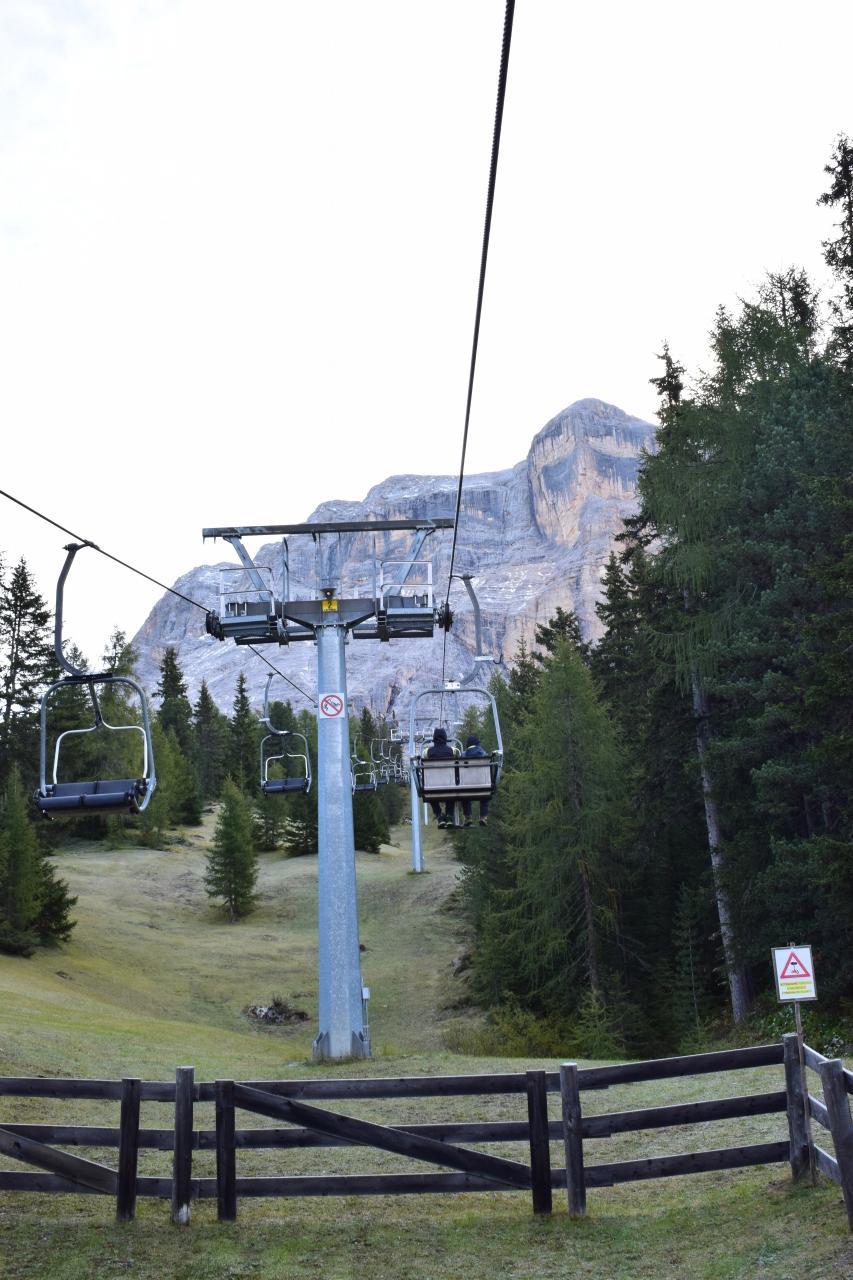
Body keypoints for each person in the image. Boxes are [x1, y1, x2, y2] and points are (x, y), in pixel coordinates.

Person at [425, 726, 456, 828]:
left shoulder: (430, 751)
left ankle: (439, 815)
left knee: (430, 794)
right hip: (448, 783)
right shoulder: (449, 751)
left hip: (433, 785)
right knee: (451, 792)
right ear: (445, 737)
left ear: (434, 738)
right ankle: (449, 815)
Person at [460, 734, 490, 828]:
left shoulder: (463, 755)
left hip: (467, 785)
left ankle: (468, 817)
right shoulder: (483, 754)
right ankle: (483, 817)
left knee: (465, 797)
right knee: (485, 796)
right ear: (477, 744)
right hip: (482, 784)